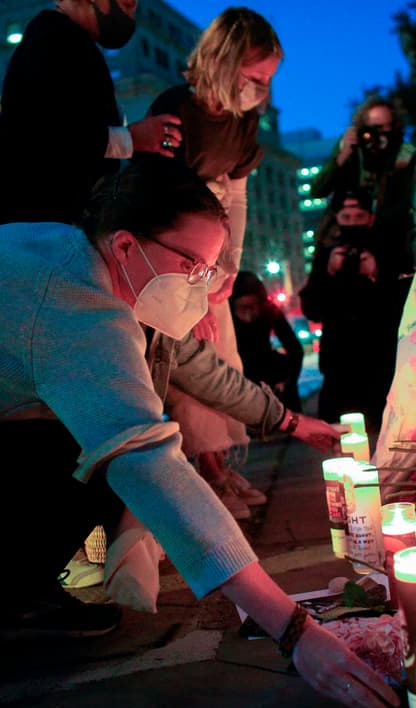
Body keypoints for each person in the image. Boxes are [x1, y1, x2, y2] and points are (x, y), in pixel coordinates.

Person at [0, 158, 396, 708]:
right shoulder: (72, 302)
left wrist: (290, 422)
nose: (201, 288)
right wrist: (293, 629)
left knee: (85, 448)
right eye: (193, 266)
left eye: (210, 271)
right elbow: (145, 458)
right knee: (90, 454)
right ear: (128, 243)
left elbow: (195, 366)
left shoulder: (97, 265)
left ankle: (19, 592)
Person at [141, 6, 282, 516]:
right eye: (253, 78)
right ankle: (209, 473)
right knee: (192, 365)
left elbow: (236, 197)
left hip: (213, 253)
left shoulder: (243, 122)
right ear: (223, 61)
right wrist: (193, 286)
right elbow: (160, 207)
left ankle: (222, 464)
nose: (259, 91)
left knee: (225, 359)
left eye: (266, 81)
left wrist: (229, 267)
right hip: (173, 258)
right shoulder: (176, 109)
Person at [0, 0, 182, 233]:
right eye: (126, 4)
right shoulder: (55, 38)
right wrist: (132, 139)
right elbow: (45, 134)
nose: (133, 5)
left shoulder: (61, 37)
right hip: (26, 227)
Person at [299, 188, 410, 434]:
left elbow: (404, 303)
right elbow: (312, 309)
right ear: (337, 218)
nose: (352, 223)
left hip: (380, 361)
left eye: (359, 217)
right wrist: (329, 272)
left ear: (370, 218)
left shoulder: (390, 252)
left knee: (390, 432)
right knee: (343, 435)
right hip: (340, 366)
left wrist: (377, 274)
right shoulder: (326, 255)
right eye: (346, 217)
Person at [310, 95, 416, 274]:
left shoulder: (404, 154)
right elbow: (318, 190)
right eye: (374, 129)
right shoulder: (351, 149)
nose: (380, 136)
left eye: (387, 128)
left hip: (386, 240)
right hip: (344, 234)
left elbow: (404, 203)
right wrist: (343, 155)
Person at [230, 272, 303, 413]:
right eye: (243, 307)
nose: (248, 314)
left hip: (270, 377)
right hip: (239, 377)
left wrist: (288, 380)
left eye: (252, 307)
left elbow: (295, 348)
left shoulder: (270, 311)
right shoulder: (227, 318)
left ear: (260, 303)